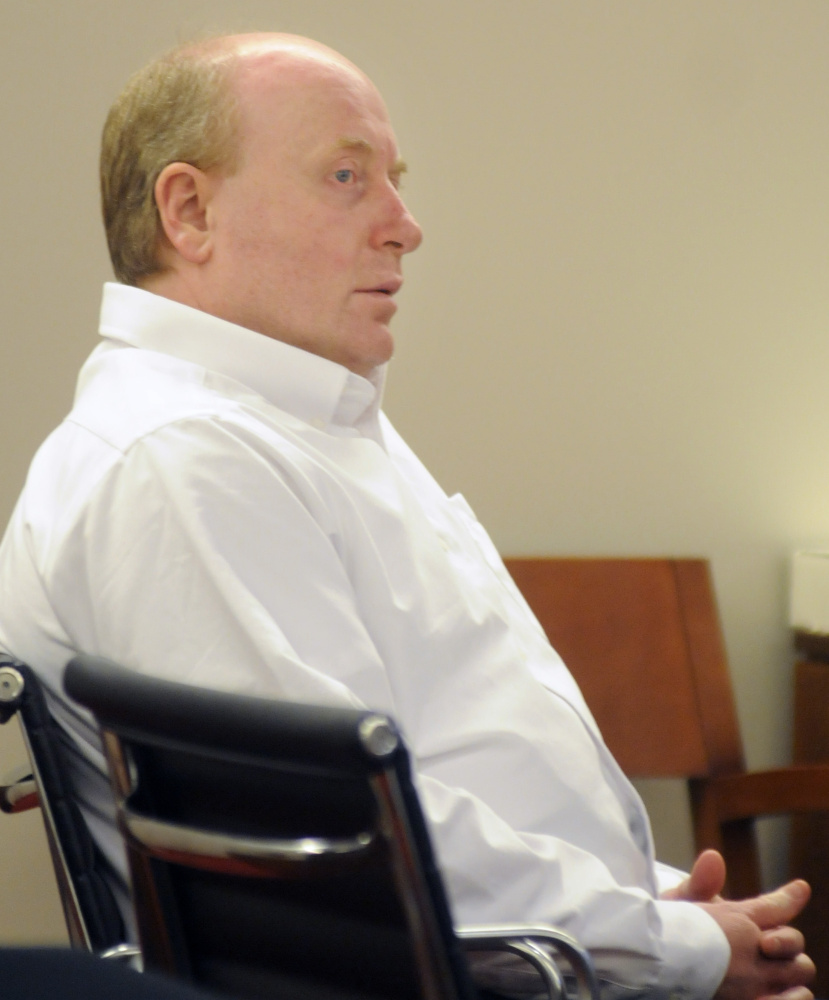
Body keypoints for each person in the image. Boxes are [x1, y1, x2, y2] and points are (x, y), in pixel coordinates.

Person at [0, 33, 815, 1000]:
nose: (404, 224)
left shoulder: (298, 424)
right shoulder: (180, 460)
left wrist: (661, 909)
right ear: (189, 211)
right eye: (347, 175)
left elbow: (449, 770)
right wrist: (680, 947)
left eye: (395, 178)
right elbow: (349, 850)